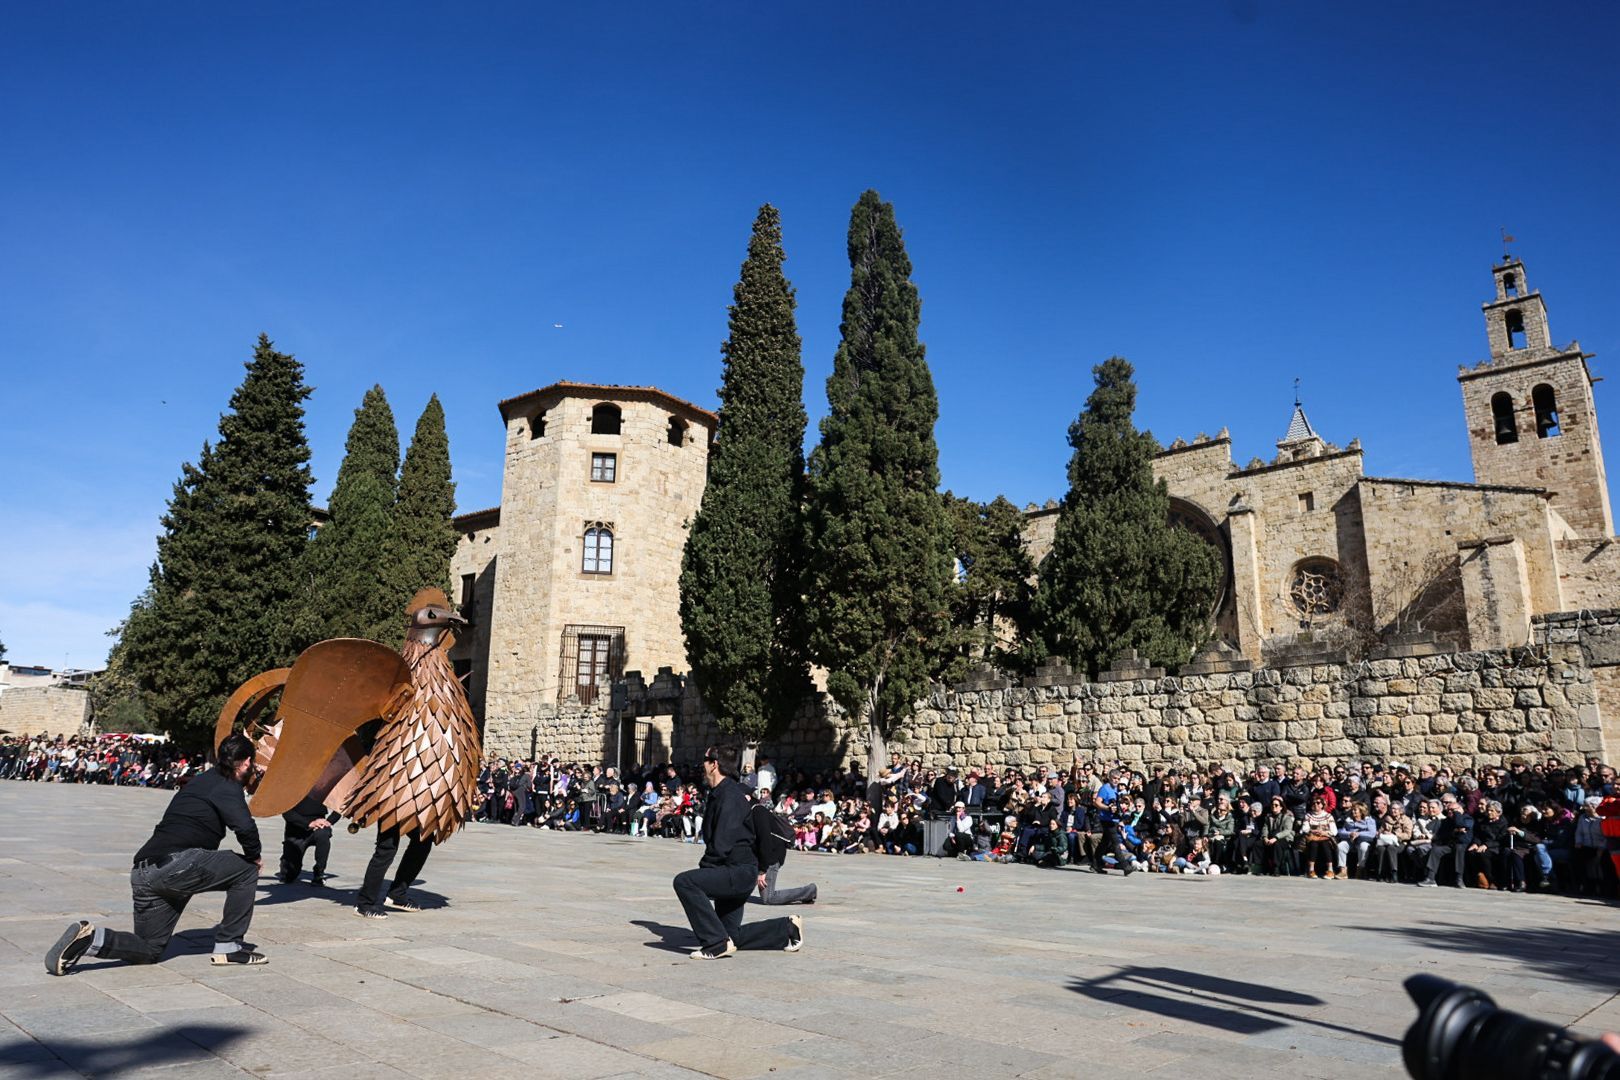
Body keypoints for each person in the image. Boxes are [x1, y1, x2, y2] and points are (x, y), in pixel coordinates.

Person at [46, 733, 268, 974]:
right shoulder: (226, 785)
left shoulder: (200, 781)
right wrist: (254, 856)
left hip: (144, 872)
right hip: (177, 866)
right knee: (246, 870)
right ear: (245, 762)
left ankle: (90, 939)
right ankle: (229, 946)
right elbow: (244, 826)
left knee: (149, 949)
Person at [671, 746, 801, 959]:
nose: (702, 765)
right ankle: (786, 929)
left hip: (738, 872)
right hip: (736, 871)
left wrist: (706, 873)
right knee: (731, 935)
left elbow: (722, 842)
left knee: (685, 882)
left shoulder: (730, 795)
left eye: (705, 760)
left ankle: (715, 944)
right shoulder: (721, 792)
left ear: (714, 764)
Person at [750, 796, 817, 905]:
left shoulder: (758, 811)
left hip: (772, 856)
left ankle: (809, 891)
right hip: (760, 857)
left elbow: (765, 841)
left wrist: (763, 870)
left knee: (768, 898)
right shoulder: (748, 812)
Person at [279, 790, 340, 887]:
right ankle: (287, 866)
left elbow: (340, 804)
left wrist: (329, 821)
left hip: (319, 825)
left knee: (323, 834)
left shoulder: (324, 784)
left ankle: (319, 872)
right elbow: (286, 813)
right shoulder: (292, 786)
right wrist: (309, 823)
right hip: (296, 831)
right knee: (289, 876)